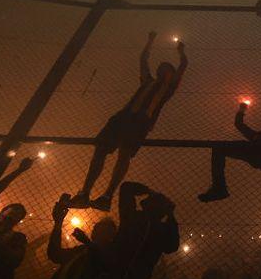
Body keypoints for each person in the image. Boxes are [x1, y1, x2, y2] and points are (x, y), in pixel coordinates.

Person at [70, 32, 187, 211]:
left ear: (171, 75)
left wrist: (181, 53)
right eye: (161, 69)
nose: (163, 71)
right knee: (100, 150)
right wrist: (149, 41)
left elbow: (183, 66)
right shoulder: (147, 81)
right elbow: (143, 60)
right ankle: (85, 193)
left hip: (140, 122)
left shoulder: (168, 89)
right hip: (123, 117)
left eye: (167, 70)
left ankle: (107, 196)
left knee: (124, 155)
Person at [199, 75, 261, 202]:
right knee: (218, 148)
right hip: (257, 154)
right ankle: (219, 187)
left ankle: (219, 188)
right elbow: (239, 125)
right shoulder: (258, 136)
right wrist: (241, 110)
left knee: (232, 146)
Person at [113, 182, 180, 279]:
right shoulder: (162, 230)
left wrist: (149, 190)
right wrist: (171, 216)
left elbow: (126, 187)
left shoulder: (131, 217)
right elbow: (172, 247)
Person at [42, 193, 118, 279]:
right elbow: (55, 254)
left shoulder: (112, 254)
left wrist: (87, 242)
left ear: (112, 236)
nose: (98, 233)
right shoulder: (82, 250)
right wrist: (58, 223)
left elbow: (102, 261)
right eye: (97, 230)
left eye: (105, 232)